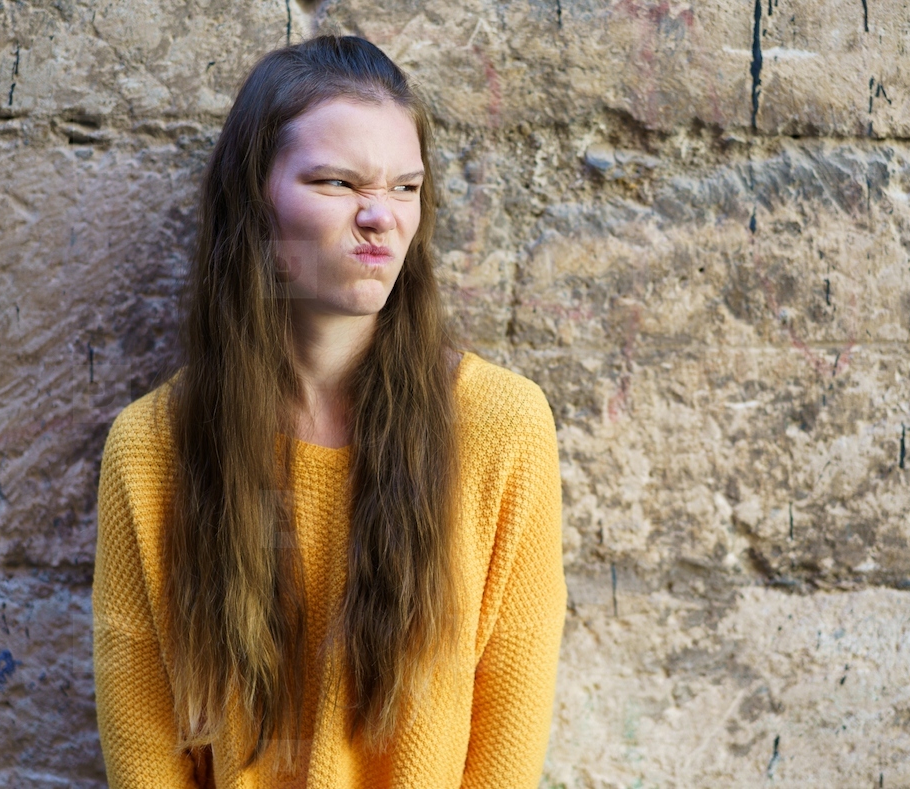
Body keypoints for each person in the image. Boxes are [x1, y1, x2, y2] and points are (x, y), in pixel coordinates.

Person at [91, 35, 565, 788]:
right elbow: (146, 753)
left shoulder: (501, 426)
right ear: (254, 200)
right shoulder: (152, 447)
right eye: (338, 182)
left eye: (405, 187)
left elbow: (505, 744)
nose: (380, 217)